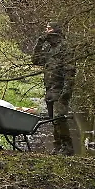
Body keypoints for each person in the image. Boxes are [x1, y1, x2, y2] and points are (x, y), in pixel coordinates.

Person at [32, 22, 76, 155]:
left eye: (49, 29)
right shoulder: (49, 49)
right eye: (45, 29)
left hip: (60, 88)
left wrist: (66, 92)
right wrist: (39, 42)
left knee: (59, 118)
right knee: (53, 119)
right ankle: (58, 147)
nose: (46, 31)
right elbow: (35, 60)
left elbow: (70, 71)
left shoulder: (65, 47)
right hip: (49, 88)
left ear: (55, 30)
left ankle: (67, 147)